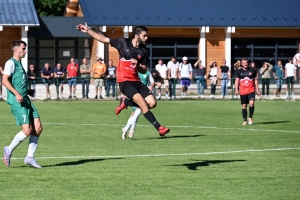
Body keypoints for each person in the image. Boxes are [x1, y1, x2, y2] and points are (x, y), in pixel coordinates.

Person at [76, 24, 170, 136]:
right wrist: (88, 30)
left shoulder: (143, 50)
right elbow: (103, 38)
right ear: (137, 36)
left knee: (152, 103)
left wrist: (138, 66)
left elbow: (144, 70)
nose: (147, 38)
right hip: (124, 81)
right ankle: (159, 128)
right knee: (142, 103)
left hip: (136, 81)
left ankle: (125, 102)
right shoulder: (123, 42)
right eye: (144, 36)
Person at [2, 40, 43, 168]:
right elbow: (4, 80)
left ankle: (29, 157)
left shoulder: (20, 64)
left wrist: (26, 92)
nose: (25, 51)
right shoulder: (11, 63)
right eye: (23, 49)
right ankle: (8, 149)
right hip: (17, 101)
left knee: (38, 128)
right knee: (27, 130)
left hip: (26, 100)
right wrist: (17, 94)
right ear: (16, 50)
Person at [122, 69, 155, 139]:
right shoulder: (134, 72)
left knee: (136, 114)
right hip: (135, 95)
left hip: (144, 95)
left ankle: (131, 130)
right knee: (133, 115)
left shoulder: (148, 73)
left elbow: (152, 82)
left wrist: (151, 87)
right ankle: (125, 129)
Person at [235, 58, 260, 125]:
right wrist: (236, 89)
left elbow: (255, 80)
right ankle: (245, 120)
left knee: (251, 103)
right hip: (243, 91)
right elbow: (237, 80)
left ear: (247, 63)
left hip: (251, 90)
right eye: (243, 63)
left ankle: (250, 117)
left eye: (246, 62)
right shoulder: (238, 71)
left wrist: (257, 89)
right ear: (241, 63)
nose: (245, 64)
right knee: (244, 105)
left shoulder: (252, 70)